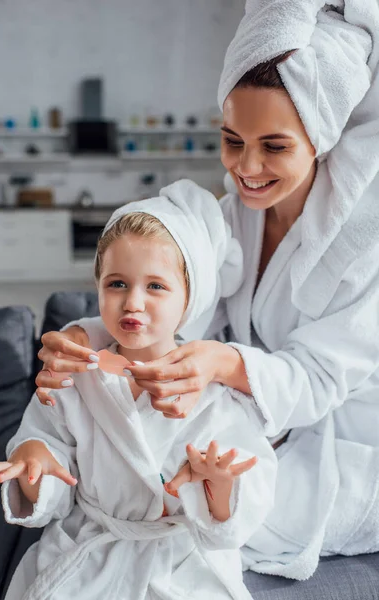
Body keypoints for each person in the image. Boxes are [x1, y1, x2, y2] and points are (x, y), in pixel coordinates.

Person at [35, 0, 379, 582]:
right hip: (256, 427)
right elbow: (157, 286)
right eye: (231, 139)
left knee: (200, 506)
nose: (247, 168)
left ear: (320, 139)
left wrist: (224, 362)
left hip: (344, 445)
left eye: (274, 146)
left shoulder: (364, 247)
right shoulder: (228, 217)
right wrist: (81, 337)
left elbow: (320, 380)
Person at [0, 180, 277, 600]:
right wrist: (35, 463)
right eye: (117, 283)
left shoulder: (212, 386)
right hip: (92, 546)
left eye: (155, 286)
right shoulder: (75, 374)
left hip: (179, 560)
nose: (132, 302)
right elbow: (49, 456)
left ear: (189, 298)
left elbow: (249, 489)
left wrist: (221, 485)